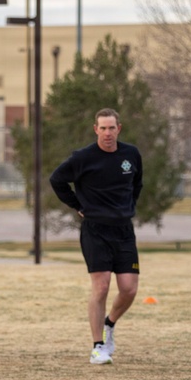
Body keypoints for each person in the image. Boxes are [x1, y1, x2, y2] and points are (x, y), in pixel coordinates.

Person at [50, 108, 143, 365]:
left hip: (123, 229)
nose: (107, 133)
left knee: (129, 289)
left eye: (111, 128)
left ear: (119, 129)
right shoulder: (83, 158)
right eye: (102, 128)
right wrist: (78, 205)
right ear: (95, 130)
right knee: (101, 287)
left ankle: (109, 323)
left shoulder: (131, 154)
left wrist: (128, 207)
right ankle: (98, 345)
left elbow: (137, 184)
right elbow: (57, 180)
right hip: (95, 229)